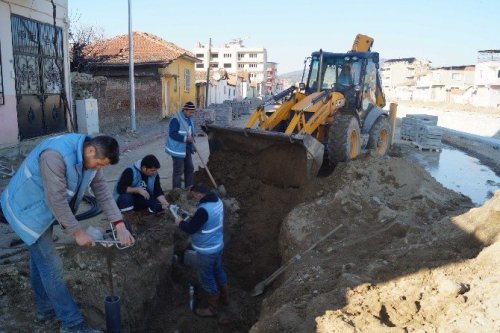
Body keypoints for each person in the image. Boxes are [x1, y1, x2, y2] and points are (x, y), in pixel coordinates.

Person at [0, 134, 134, 333]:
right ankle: (72, 324)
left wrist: (119, 224)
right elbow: (56, 200)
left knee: (41, 261)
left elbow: (102, 191)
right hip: (26, 210)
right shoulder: (54, 156)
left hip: (43, 210)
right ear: (90, 150)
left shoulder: (92, 159)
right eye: (98, 163)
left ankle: (45, 310)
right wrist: (77, 232)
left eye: (102, 166)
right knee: (52, 266)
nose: (98, 168)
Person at [174, 183, 228, 317]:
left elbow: (191, 228)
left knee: (206, 278)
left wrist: (180, 222)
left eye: (194, 195)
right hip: (217, 246)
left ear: (200, 194)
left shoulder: (204, 210)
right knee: (218, 270)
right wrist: (196, 213)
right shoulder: (217, 201)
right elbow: (207, 218)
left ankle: (212, 309)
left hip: (206, 251)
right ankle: (225, 297)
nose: (194, 198)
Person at [165, 101, 196, 189]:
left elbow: (190, 132)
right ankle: (176, 191)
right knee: (178, 170)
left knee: (189, 168)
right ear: (185, 110)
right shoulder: (176, 119)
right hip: (177, 149)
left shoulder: (189, 118)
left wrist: (192, 144)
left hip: (186, 148)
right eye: (190, 112)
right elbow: (172, 134)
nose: (191, 114)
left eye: (192, 112)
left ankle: (189, 187)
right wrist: (186, 139)